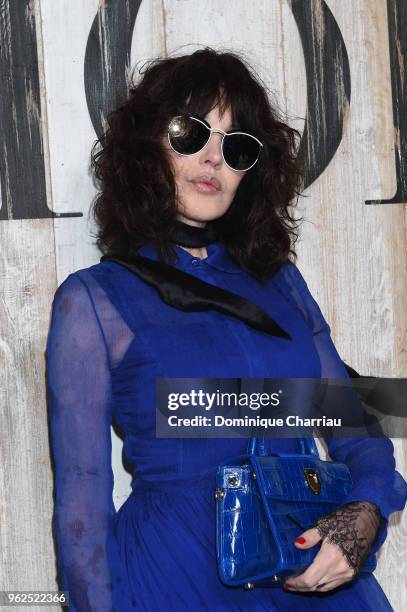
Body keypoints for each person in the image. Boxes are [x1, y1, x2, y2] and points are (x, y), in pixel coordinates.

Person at [46, 48, 407, 611]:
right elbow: (81, 512)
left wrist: (364, 514)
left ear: (251, 171)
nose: (213, 158)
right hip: (174, 578)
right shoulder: (94, 300)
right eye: (190, 134)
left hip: (308, 574)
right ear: (147, 147)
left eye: (236, 146)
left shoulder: (282, 284)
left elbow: (354, 430)